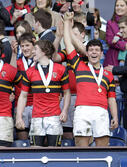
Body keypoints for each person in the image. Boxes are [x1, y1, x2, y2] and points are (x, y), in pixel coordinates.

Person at [63, 11, 118, 147]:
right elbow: (68, 44)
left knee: (102, 146)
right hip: (82, 110)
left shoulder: (108, 74)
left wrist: (115, 116)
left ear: (101, 53)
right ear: (86, 53)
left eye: (97, 50)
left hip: (101, 111)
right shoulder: (79, 66)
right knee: (81, 147)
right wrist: (66, 24)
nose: (94, 52)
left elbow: (111, 98)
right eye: (91, 50)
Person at [16, 39, 70, 147]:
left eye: (35, 49)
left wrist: (64, 111)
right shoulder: (30, 72)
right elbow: (23, 95)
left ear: (44, 51)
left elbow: (67, 92)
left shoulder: (61, 69)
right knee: (35, 151)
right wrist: (18, 117)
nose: (32, 52)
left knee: (54, 152)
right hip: (36, 117)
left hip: (55, 116)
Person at [13, 32, 35, 141]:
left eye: (27, 45)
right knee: (23, 140)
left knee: (39, 140)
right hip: (20, 105)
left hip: (37, 105)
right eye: (22, 46)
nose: (25, 48)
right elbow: (10, 75)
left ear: (33, 45)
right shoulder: (17, 62)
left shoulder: (40, 62)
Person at [106, 15, 127, 129]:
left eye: (123, 27)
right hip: (120, 87)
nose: (121, 31)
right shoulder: (119, 42)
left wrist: (115, 69)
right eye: (119, 28)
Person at [104, 0, 127, 67]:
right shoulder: (110, 23)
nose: (119, 8)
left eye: (122, 5)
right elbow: (110, 40)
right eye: (117, 5)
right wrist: (124, 45)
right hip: (113, 57)